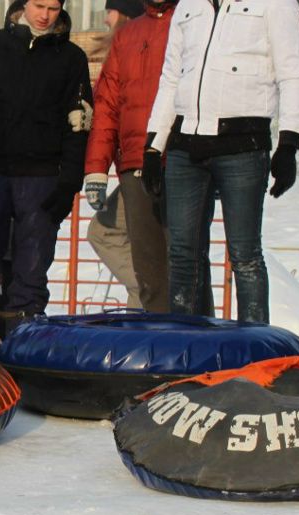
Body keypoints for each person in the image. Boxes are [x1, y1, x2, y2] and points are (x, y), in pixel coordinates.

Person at [143, 0, 299, 323]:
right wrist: (154, 145)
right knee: (182, 254)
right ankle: (187, 344)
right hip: (185, 145)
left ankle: (254, 347)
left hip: (243, 146)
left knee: (245, 255)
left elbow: (293, 74)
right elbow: (171, 78)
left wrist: (289, 142)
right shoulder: (189, 6)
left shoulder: (275, 5)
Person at [0, 0, 91, 326]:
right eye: (39, 5)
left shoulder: (72, 58)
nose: (45, 15)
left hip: (42, 174)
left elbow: (79, 121)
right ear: (23, 5)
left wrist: (71, 177)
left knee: (32, 263)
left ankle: (24, 323)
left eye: (53, 8)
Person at [84, 0, 176, 313]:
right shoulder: (127, 39)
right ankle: (152, 305)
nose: (105, 17)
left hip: (177, 156)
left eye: (110, 9)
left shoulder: (188, 21)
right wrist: (96, 168)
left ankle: (166, 311)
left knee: (183, 255)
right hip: (135, 159)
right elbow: (108, 106)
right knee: (148, 258)